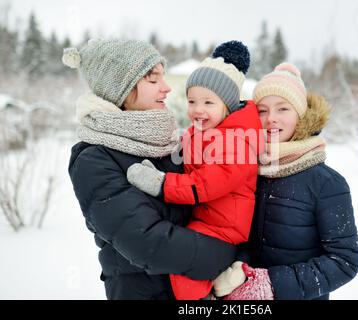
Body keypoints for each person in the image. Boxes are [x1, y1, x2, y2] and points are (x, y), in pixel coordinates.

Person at [63, 38, 237, 300]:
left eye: (163, 78)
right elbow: (150, 243)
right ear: (119, 89)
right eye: (153, 80)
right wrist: (228, 252)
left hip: (197, 293)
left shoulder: (170, 143)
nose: (166, 88)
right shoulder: (94, 160)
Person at [126, 41, 263, 300]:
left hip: (224, 227)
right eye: (192, 101)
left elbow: (206, 183)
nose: (198, 110)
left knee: (182, 269)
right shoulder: (200, 133)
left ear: (228, 106)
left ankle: (205, 300)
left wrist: (162, 184)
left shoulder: (237, 141)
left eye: (208, 102)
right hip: (205, 219)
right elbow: (186, 164)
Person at [213, 63, 358, 300]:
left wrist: (270, 285)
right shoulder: (247, 170)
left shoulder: (327, 183)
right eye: (262, 110)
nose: (271, 118)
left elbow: (344, 261)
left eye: (283, 109)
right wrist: (239, 267)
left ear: (301, 116)